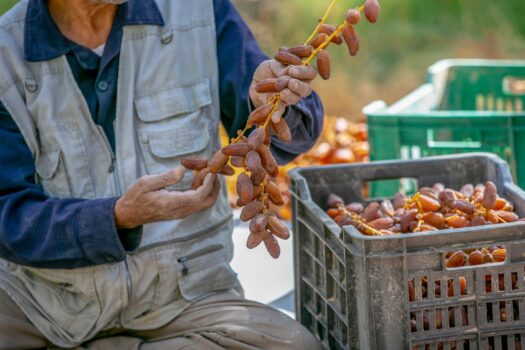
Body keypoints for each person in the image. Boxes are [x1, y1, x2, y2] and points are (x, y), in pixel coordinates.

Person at [0, 0, 324, 348]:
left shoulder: (198, 11)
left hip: (184, 299)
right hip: (44, 307)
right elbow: (9, 215)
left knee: (293, 345)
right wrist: (114, 218)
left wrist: (272, 104)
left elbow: (276, 139)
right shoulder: (6, 55)